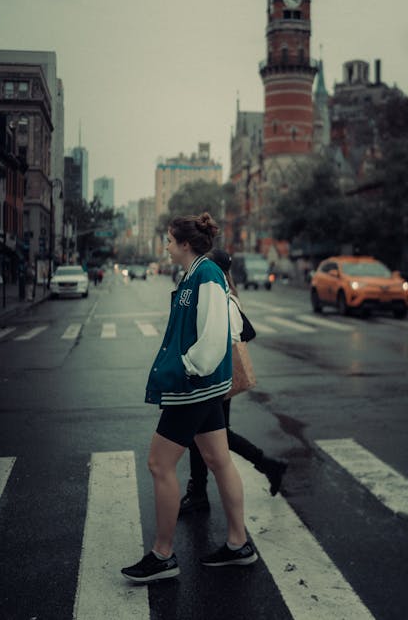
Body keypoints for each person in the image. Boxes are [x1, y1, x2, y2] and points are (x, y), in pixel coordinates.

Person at [121, 213, 257, 584]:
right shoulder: (195, 273)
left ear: (184, 243)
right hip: (202, 387)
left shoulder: (207, 274)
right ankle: (238, 543)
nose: (164, 245)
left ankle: (163, 554)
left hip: (193, 388)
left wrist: (188, 366)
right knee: (218, 458)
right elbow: (229, 321)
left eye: (168, 240)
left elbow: (222, 329)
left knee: (158, 464)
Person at [179, 249, 287, 516]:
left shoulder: (220, 295)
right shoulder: (228, 292)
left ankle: (263, 466)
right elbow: (246, 331)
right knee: (209, 434)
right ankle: (200, 492)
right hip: (218, 375)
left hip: (214, 376)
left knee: (214, 434)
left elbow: (241, 331)